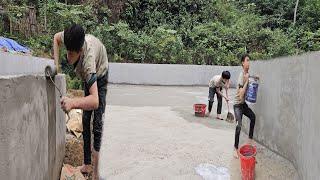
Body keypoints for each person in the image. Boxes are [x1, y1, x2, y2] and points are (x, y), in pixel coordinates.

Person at [53, 24, 108, 179]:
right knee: (85, 119)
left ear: (81, 51)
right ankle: (87, 164)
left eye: (71, 53)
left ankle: (96, 173)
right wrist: (56, 66)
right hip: (88, 73)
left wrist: (72, 103)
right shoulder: (69, 37)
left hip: (101, 73)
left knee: (96, 125)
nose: (68, 57)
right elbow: (56, 38)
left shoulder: (88, 62)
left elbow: (95, 100)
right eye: (67, 51)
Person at [233, 54, 258, 158]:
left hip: (243, 105)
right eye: (247, 60)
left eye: (249, 61)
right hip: (238, 105)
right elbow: (241, 94)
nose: (249, 63)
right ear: (243, 63)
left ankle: (250, 140)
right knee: (239, 125)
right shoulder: (241, 75)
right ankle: (235, 148)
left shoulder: (247, 73)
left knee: (253, 117)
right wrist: (247, 80)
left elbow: (249, 79)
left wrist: (253, 78)